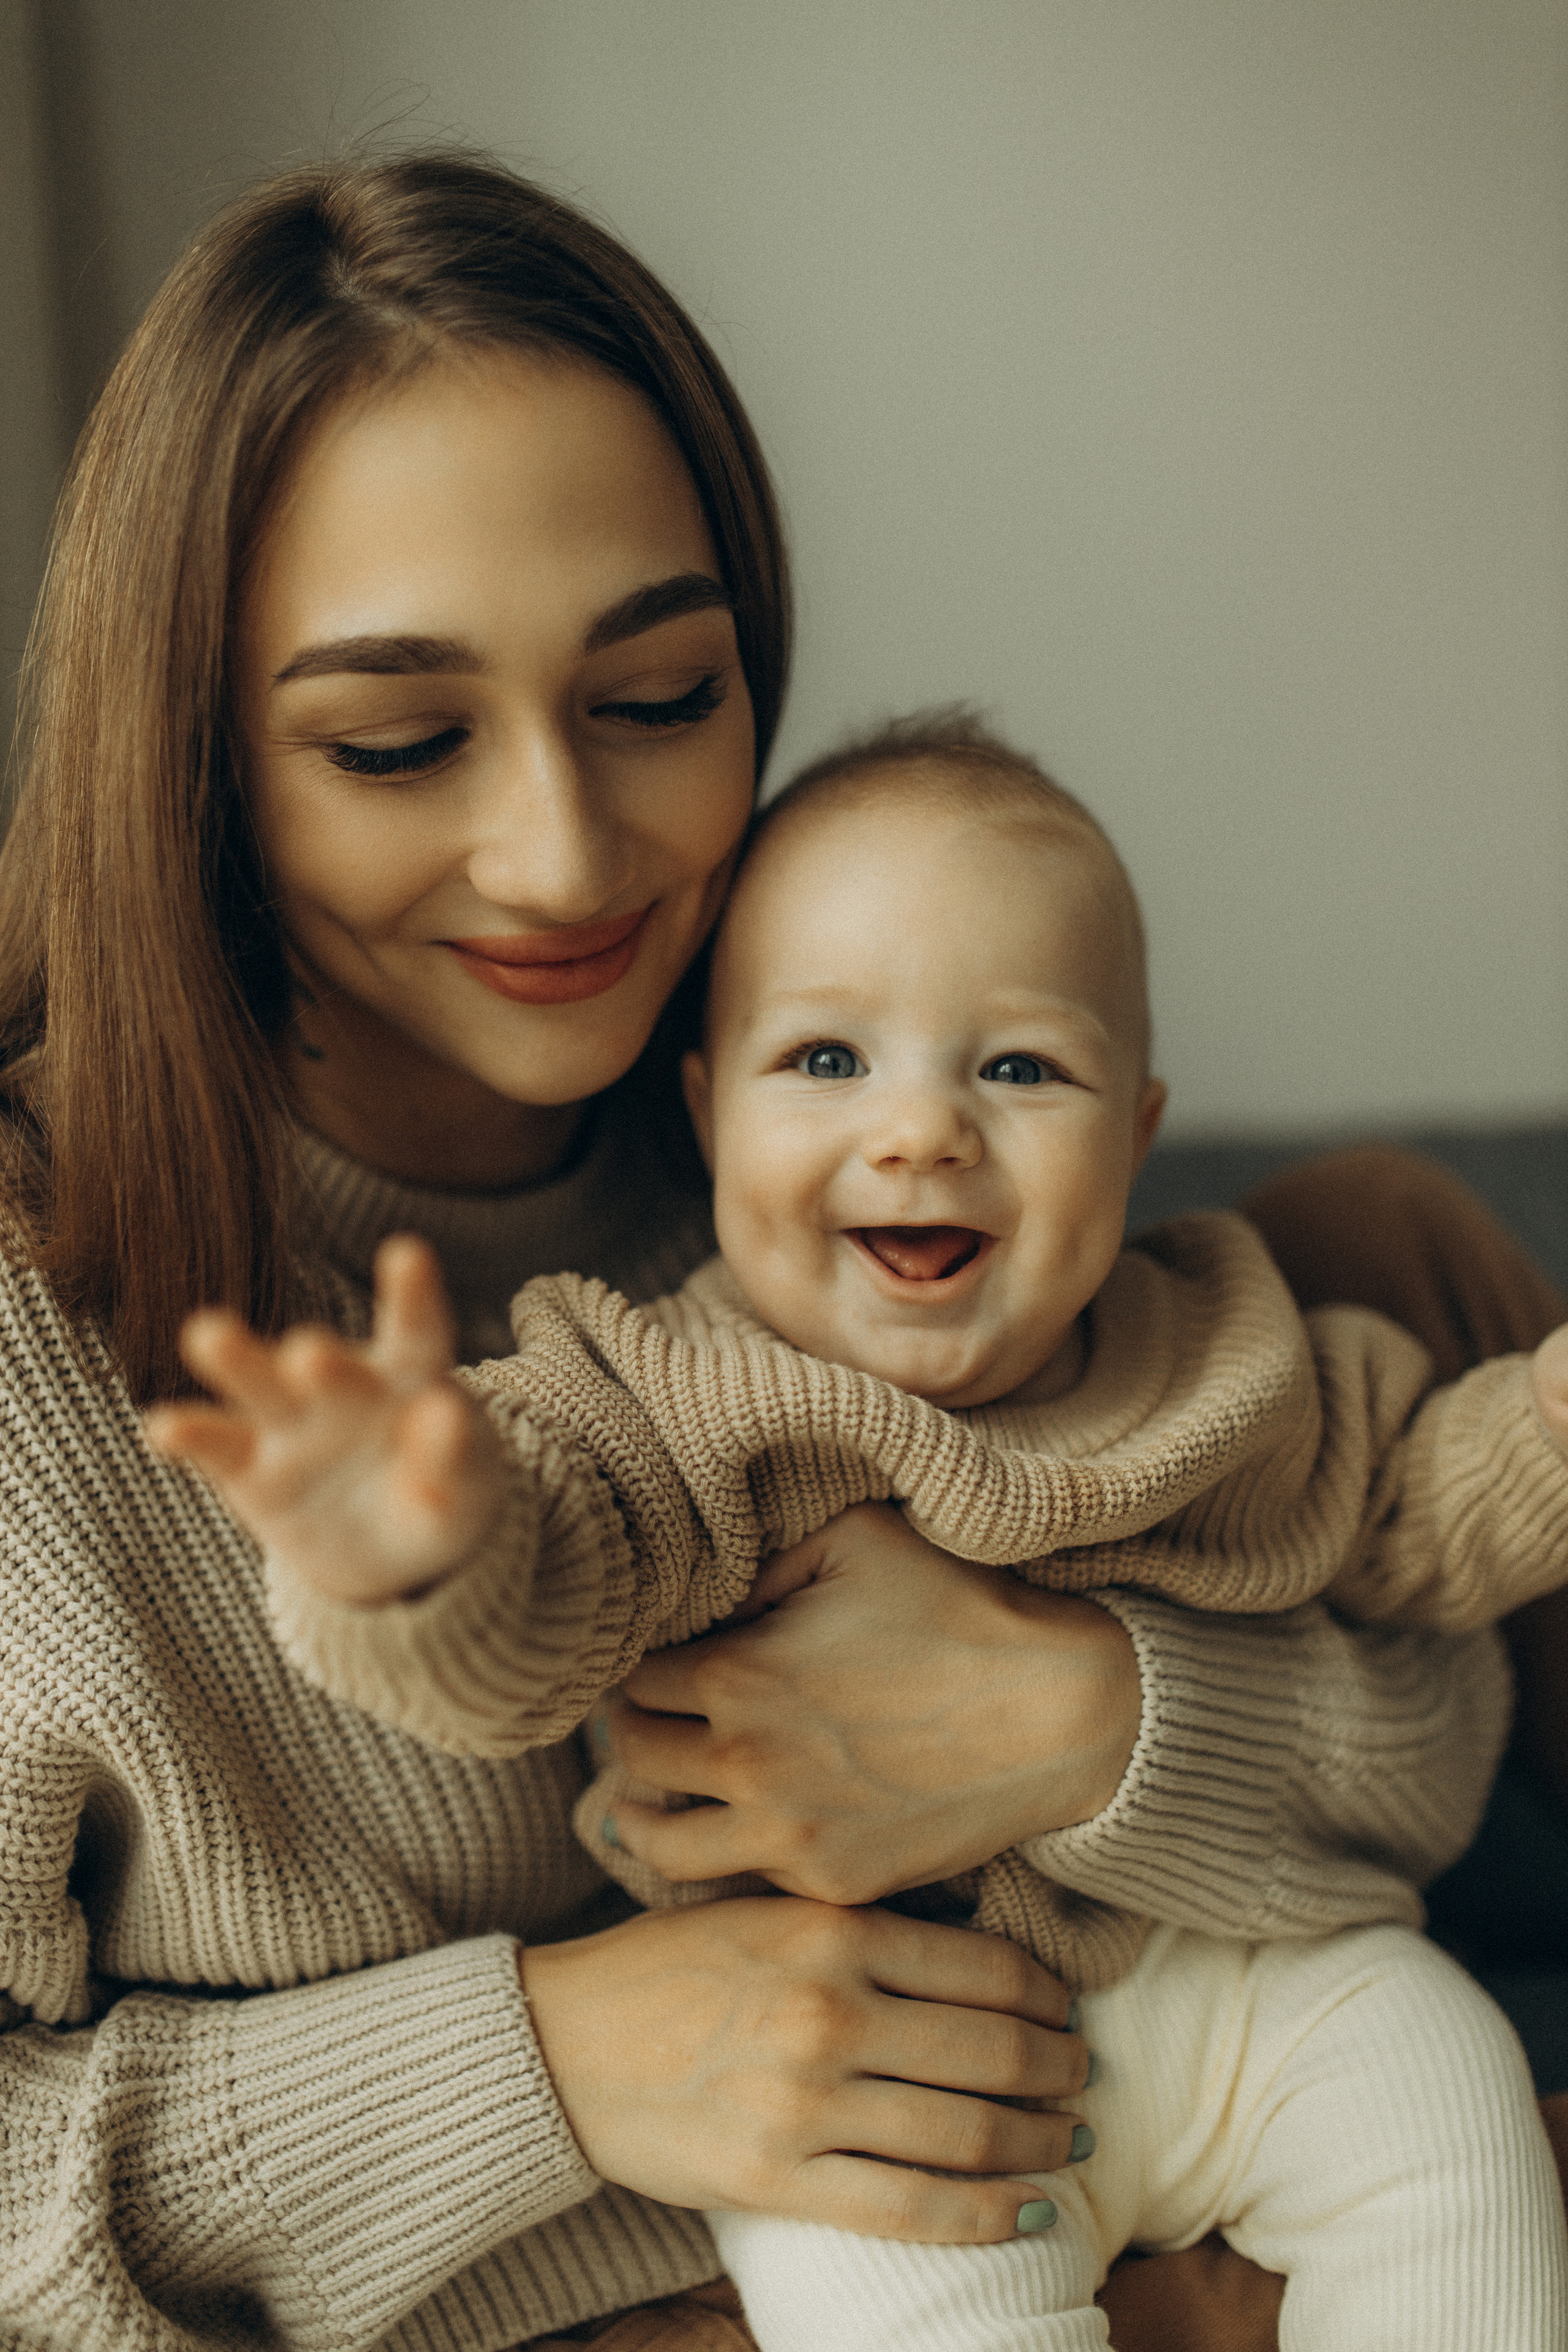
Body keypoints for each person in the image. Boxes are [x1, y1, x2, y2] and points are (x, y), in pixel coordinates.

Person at [0, 149, 1528, 2352]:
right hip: (667, 2291)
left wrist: (1089, 1720)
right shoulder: (42, 1338)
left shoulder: (820, 1126)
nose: (566, 858)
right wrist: (556, 2061)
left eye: (657, 701)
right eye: (400, 743)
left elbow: (1392, 1657)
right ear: (199, 770)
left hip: (1177, 2097)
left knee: (1385, 1246)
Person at [156, 722, 1568, 2350]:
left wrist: (1533, 1425)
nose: (922, 1132)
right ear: (706, 1114)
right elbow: (534, 1620)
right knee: (886, 2295)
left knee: (1445, 2079)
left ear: (1137, 1127)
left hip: (1253, 1977)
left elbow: (1406, 1514)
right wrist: (415, 1553)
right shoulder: (666, 1395)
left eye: (1019, 1069)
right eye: (828, 1062)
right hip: (879, 2061)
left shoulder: (1232, 1346)